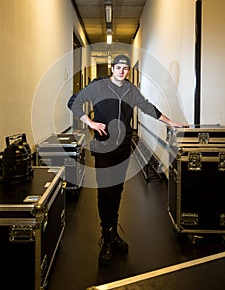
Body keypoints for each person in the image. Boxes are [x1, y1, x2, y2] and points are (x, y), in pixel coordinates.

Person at [67, 54, 187, 267]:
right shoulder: (99, 86)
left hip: (123, 147)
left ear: (128, 71)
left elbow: (149, 108)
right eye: (119, 67)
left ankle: (113, 231)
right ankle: (106, 237)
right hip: (104, 146)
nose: (122, 71)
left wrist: (172, 123)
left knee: (118, 189)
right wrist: (90, 122)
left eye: (126, 68)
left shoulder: (131, 90)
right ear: (112, 68)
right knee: (106, 190)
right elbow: (73, 102)